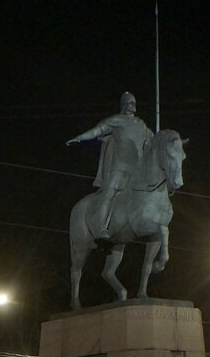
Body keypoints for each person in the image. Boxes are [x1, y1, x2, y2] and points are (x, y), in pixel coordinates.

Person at [66, 91, 153, 244]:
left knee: (148, 193)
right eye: (129, 103)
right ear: (123, 105)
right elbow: (97, 131)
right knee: (109, 194)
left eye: (134, 103)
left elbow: (156, 140)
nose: (132, 106)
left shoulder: (141, 124)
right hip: (120, 167)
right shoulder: (116, 120)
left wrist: (174, 142)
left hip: (137, 170)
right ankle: (100, 227)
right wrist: (79, 138)